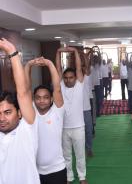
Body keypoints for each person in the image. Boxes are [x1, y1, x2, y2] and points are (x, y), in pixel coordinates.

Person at [0, 38, 40, 184]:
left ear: (19, 113)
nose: (2, 118)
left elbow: (22, 91)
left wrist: (12, 52)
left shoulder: (27, 129)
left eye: (7, 112)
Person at [25, 57, 66, 184]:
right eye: (38, 98)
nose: (41, 100)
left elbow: (57, 87)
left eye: (45, 97)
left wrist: (49, 63)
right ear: (34, 99)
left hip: (57, 170)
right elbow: (25, 89)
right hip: (36, 171)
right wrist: (29, 65)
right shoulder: (32, 112)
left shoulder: (57, 112)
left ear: (51, 99)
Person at [56, 47, 87, 184]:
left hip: (79, 127)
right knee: (66, 155)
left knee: (80, 154)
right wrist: (58, 52)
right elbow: (57, 69)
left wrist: (74, 51)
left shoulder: (80, 85)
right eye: (66, 78)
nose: (68, 80)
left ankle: (82, 177)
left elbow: (79, 68)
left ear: (76, 78)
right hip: (63, 128)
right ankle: (69, 177)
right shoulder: (61, 86)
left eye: (71, 78)